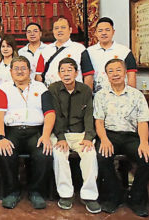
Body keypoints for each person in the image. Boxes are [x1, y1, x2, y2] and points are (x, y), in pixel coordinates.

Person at [94, 59, 149, 217]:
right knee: (101, 157)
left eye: (118, 70)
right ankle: (115, 195)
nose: (115, 74)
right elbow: (98, 122)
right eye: (111, 71)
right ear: (107, 75)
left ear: (125, 72)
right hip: (109, 134)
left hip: (131, 136)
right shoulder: (101, 95)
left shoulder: (137, 95)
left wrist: (144, 143)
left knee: (148, 159)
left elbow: (142, 122)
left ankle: (135, 196)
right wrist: (104, 140)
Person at [0, 56, 55, 209]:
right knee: (5, 153)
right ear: (10, 71)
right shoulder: (3, 89)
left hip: (35, 132)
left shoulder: (41, 87)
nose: (20, 71)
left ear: (30, 71)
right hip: (12, 131)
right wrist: (1, 137)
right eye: (16, 68)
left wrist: (46, 136)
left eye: (23, 68)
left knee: (44, 154)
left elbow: (50, 113)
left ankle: (36, 192)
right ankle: (12, 191)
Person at [48, 58, 100, 213]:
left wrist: (88, 137)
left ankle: (89, 195)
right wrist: (61, 137)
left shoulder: (85, 90)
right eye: (62, 70)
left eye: (69, 70)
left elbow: (89, 116)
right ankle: (65, 194)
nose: (66, 73)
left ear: (76, 73)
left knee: (90, 153)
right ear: (58, 73)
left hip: (81, 134)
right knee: (58, 153)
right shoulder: (53, 89)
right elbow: (54, 115)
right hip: (60, 133)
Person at [82, 17, 137, 93]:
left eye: (107, 30)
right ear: (95, 33)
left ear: (113, 32)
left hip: (120, 96)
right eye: (100, 31)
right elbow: (88, 78)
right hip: (97, 97)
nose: (104, 33)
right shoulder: (88, 52)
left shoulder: (124, 51)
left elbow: (131, 76)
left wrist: (131, 96)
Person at [36, 17, 94, 88]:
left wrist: (87, 96)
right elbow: (39, 75)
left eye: (63, 27)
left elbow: (88, 75)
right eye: (56, 28)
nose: (59, 30)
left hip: (74, 94)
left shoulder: (79, 49)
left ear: (70, 30)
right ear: (53, 31)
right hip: (51, 93)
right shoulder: (45, 50)